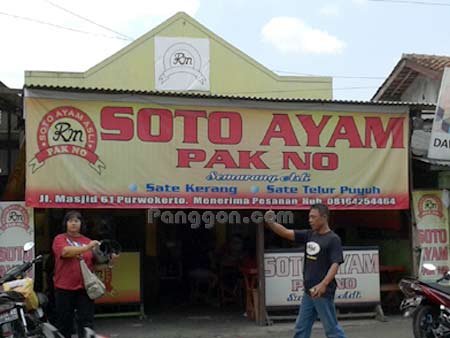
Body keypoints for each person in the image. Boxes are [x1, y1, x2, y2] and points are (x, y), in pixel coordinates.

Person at [264, 204, 346, 338]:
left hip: (322, 293)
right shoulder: (310, 234)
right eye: (309, 217)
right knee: (301, 328)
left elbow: (335, 264)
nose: (310, 220)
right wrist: (271, 222)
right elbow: (285, 232)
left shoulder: (333, 239)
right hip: (309, 292)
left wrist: (323, 284)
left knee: (332, 329)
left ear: (324, 218)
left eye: (313, 217)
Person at [52, 210, 100, 338]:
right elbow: (65, 252)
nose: (73, 223)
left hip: (85, 288)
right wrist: (86, 248)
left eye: (76, 221)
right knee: (64, 323)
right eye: (70, 220)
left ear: (81, 223)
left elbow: (98, 262)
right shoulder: (59, 239)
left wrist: (111, 258)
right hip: (64, 287)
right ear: (66, 223)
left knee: (86, 323)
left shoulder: (87, 240)